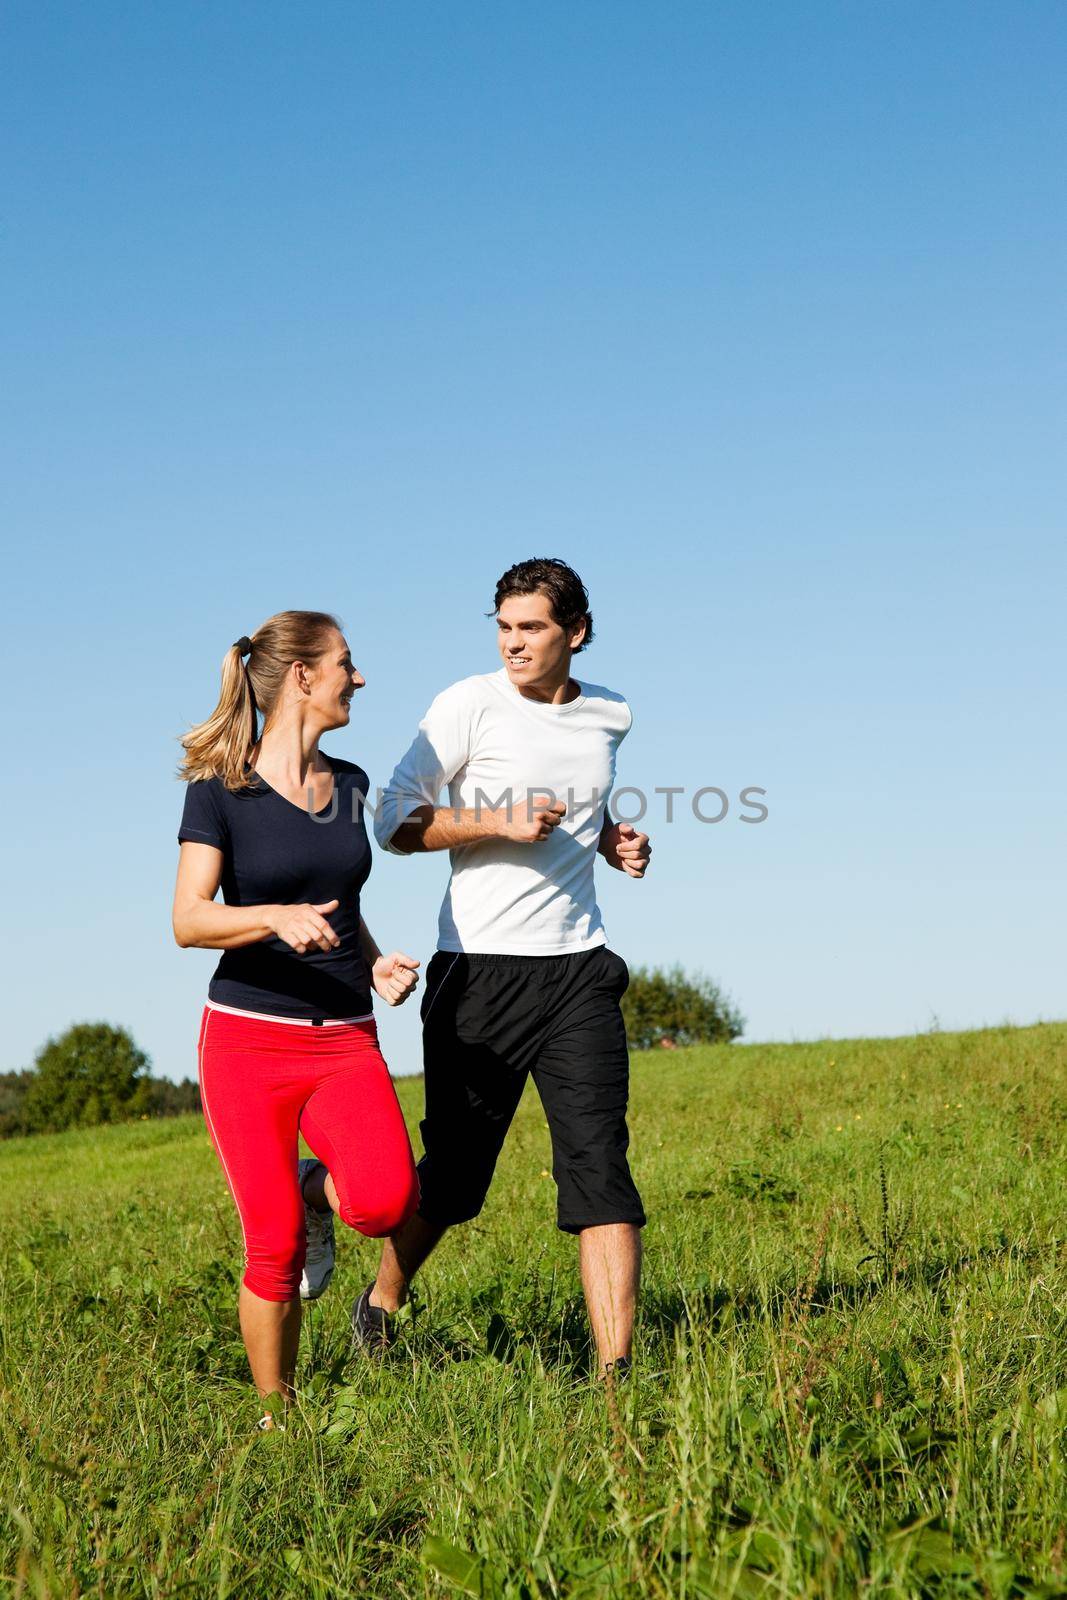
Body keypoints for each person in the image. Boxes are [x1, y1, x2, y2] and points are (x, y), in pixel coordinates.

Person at [362, 558, 652, 1379]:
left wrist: (609, 837)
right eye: (504, 627)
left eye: (532, 628)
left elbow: (584, 802)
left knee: (601, 1172)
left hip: (578, 972)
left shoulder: (609, 713)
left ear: (576, 633)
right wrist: (496, 820)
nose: (514, 643)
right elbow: (392, 822)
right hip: (478, 974)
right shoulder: (466, 705)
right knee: (453, 1180)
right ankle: (382, 1300)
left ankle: (615, 1378)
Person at [172, 610, 421, 1429]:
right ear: (303, 676)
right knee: (272, 1246)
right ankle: (278, 1421)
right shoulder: (224, 791)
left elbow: (342, 904)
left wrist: (372, 959)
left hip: (345, 1035)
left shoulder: (349, 785)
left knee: (385, 1201)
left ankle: (318, 1190)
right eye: (347, 662)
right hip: (247, 1039)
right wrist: (273, 915)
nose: (359, 677)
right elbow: (189, 919)